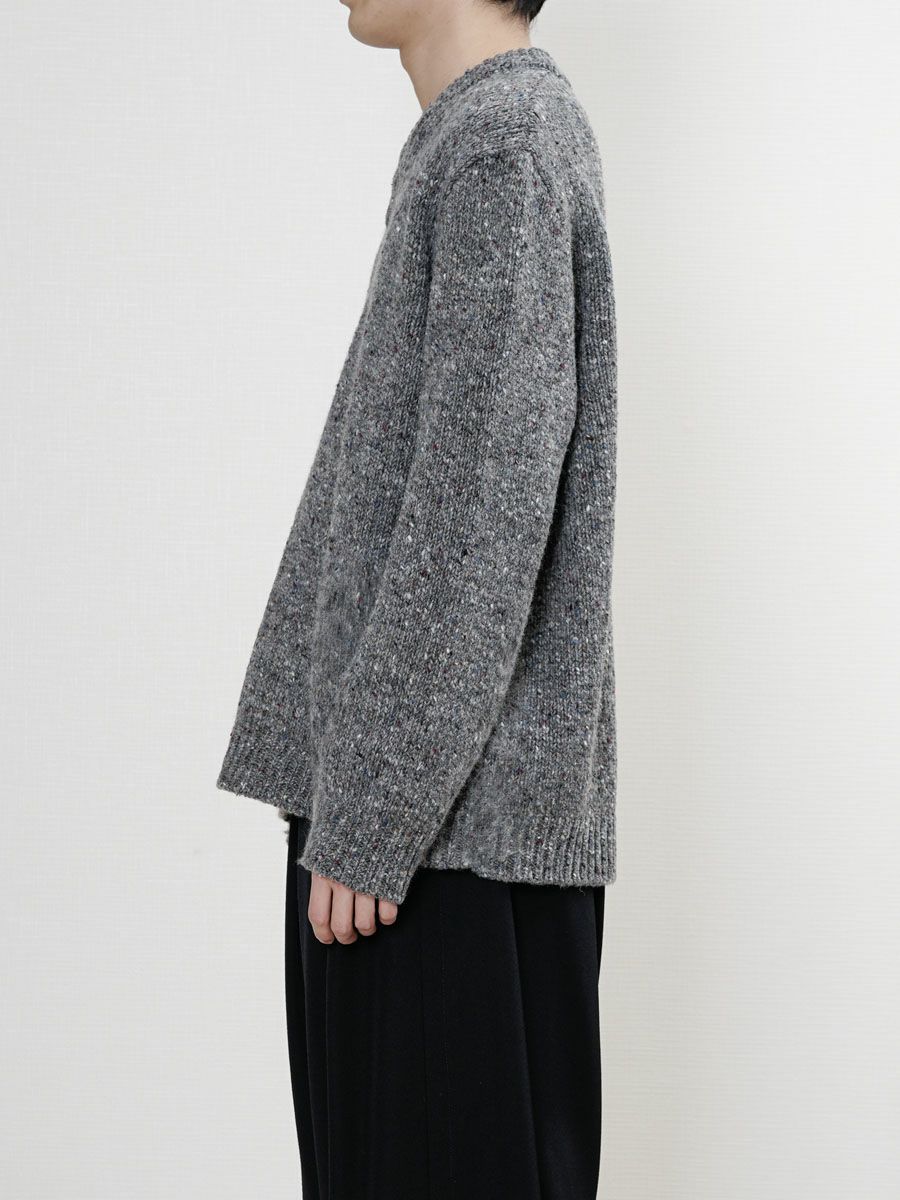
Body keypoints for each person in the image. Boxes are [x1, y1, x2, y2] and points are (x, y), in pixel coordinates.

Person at [216, 0, 618, 1195]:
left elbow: (479, 515)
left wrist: (376, 809)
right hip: (429, 828)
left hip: (439, 846)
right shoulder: (483, 137)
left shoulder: (503, 146)